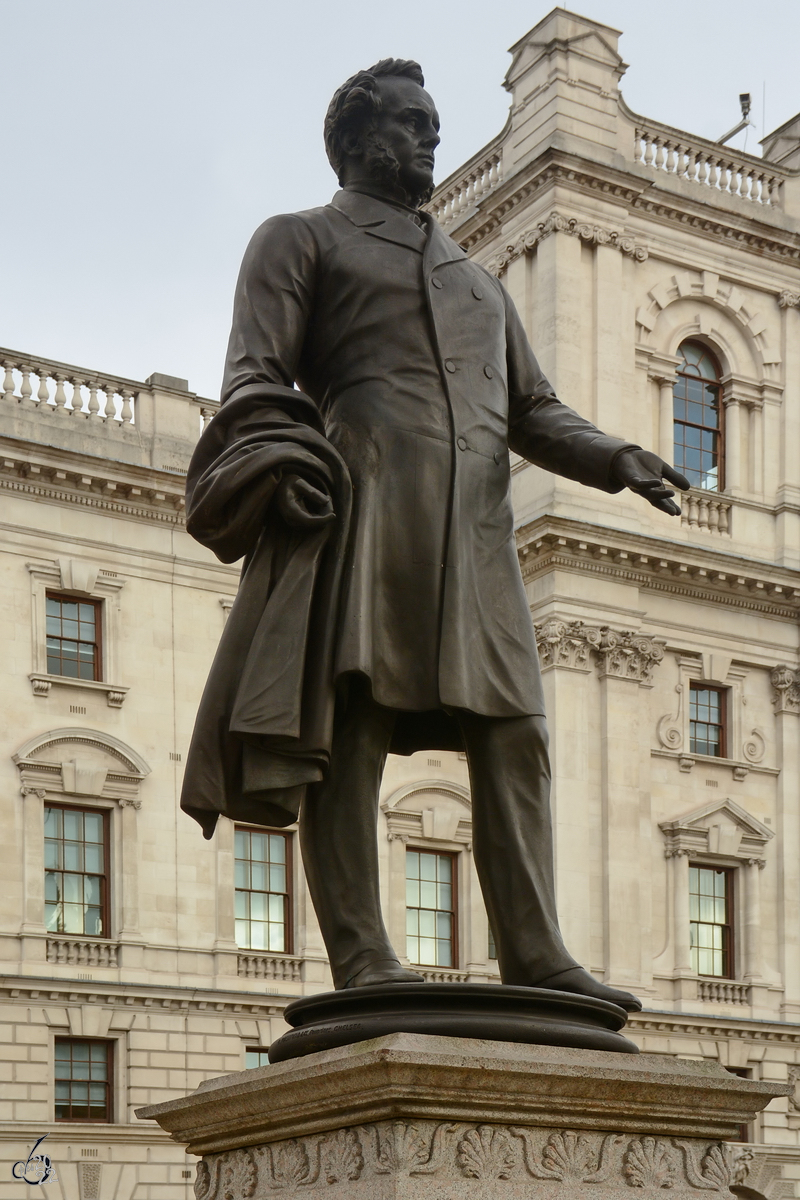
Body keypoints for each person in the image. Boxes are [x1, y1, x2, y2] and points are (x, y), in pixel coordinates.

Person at [181, 59, 689, 1009]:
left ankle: (535, 950)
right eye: (411, 123)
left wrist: (616, 454)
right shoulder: (301, 238)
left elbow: (534, 409)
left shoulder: (479, 285)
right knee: (353, 727)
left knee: (517, 733)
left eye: (432, 124)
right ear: (354, 139)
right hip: (366, 511)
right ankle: (363, 954)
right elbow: (253, 377)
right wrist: (289, 458)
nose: (430, 139)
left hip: (478, 532)